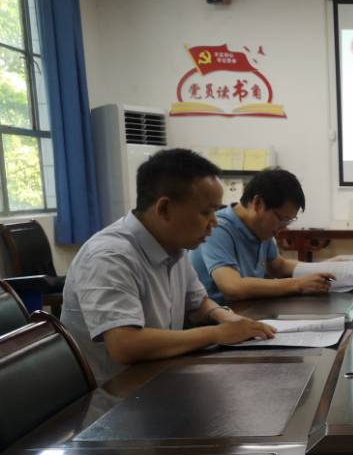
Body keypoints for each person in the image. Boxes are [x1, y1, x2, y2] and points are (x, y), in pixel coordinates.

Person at [61, 148, 275, 384]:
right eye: (206, 212)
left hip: (157, 377)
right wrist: (217, 333)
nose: (214, 222)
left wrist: (226, 318)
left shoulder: (173, 245)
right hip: (115, 394)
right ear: (164, 208)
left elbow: (198, 303)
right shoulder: (109, 256)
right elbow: (125, 344)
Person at [190, 168, 336, 303]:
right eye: (281, 218)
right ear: (258, 203)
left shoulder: (260, 228)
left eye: (289, 221)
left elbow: (279, 266)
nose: (284, 227)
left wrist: (326, 267)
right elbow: (232, 287)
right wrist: (297, 284)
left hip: (246, 309)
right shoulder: (218, 228)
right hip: (216, 315)